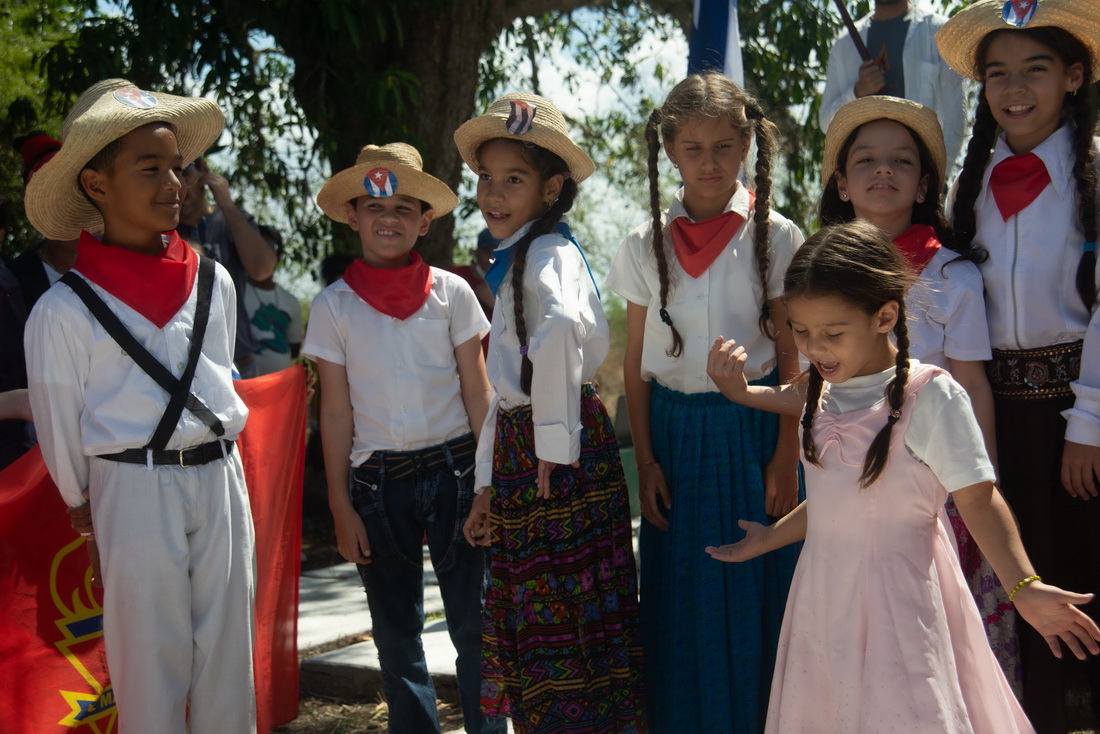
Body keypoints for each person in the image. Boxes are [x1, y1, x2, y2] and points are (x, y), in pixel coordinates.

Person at [704, 220, 1100, 733]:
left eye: (833, 333)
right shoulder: (818, 392)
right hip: (824, 597)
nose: (815, 348)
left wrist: (1023, 585)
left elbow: (981, 500)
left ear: (884, 315)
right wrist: (770, 536)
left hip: (902, 599)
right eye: (801, 331)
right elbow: (838, 495)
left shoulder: (931, 396)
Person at [22, 78, 255, 732]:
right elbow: (61, 422)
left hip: (220, 478)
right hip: (131, 486)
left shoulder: (215, 280)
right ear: (96, 185)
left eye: (177, 167)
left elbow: (219, 380)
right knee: (148, 667)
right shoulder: (63, 309)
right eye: (148, 168)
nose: (173, 184)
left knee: (228, 661)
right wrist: (84, 504)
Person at [605, 73, 802, 732]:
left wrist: (784, 456)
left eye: (723, 145)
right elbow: (634, 368)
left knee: (757, 584)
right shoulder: (641, 244)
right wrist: (650, 463)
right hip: (675, 437)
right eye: (693, 147)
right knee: (683, 595)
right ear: (669, 150)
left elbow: (794, 356)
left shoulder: (777, 235)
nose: (710, 162)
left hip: (752, 431)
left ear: (746, 142)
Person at [455, 92, 645, 733]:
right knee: (548, 620)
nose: (494, 194)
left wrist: (552, 449)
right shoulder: (524, 255)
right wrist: (485, 482)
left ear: (552, 187)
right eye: (486, 178)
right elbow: (506, 387)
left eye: (514, 180)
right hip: (528, 441)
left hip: (549, 450)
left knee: (563, 620)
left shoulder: (546, 255)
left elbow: (561, 329)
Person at [819, 94, 1021, 687]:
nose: (884, 170)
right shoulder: (821, 270)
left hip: (930, 485)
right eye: (867, 160)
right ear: (842, 183)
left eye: (902, 161)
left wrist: (979, 484)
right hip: (847, 484)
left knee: (938, 633)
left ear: (926, 185)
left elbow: (973, 384)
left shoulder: (954, 274)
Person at [938, 1, 1100, 729]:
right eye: (998, 73)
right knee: (1019, 588)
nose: (1015, 87)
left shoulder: (1095, 170)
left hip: (1082, 417)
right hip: (998, 417)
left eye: (1036, 69)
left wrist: (1089, 422)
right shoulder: (968, 184)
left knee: (1088, 582)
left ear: (1073, 76)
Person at [303, 143, 502, 734]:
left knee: (475, 625)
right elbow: (334, 413)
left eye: (402, 207)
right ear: (351, 216)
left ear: (426, 219)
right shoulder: (333, 306)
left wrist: (488, 482)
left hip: (457, 473)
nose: (387, 219)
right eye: (371, 206)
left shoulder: (452, 294)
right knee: (396, 633)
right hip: (376, 484)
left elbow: (478, 393)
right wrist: (340, 504)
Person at [819, 0, 966, 177]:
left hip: (921, 179)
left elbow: (955, 117)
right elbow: (826, 122)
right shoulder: (844, 43)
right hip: (865, 181)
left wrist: (938, 180)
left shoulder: (940, 32)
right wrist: (857, 92)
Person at [178, 156, 277, 377]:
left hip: (238, 357)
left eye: (185, 173)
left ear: (203, 170)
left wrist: (226, 203)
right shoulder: (159, 229)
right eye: (171, 174)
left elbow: (262, 270)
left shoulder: (232, 219)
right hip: (180, 362)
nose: (180, 185)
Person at [243, 224, 302, 375]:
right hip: (241, 389)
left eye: (270, 246)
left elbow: (294, 349)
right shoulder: (233, 291)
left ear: (279, 254)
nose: (261, 251)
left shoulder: (291, 301)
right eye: (256, 245)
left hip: (279, 389)